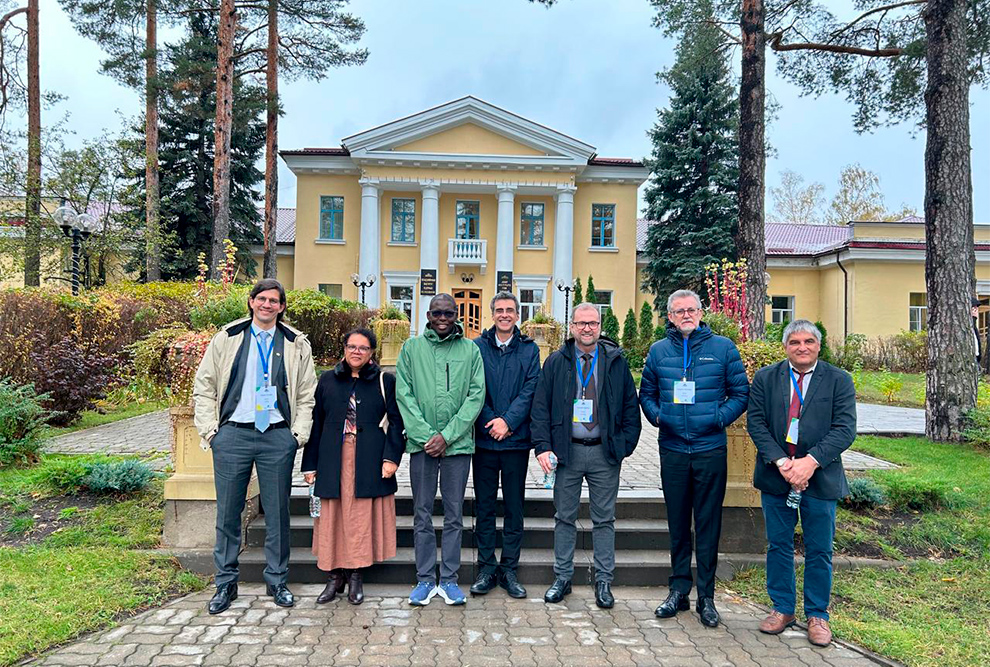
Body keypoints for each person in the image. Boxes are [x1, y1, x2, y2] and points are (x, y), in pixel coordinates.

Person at [193, 278, 317, 614]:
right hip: (232, 434)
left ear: (282, 306)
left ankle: (277, 581)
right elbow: (203, 386)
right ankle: (225, 584)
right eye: (261, 299)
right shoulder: (228, 338)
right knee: (228, 513)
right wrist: (210, 431)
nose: (266, 305)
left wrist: (296, 435)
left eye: (273, 301)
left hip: (277, 435)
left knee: (278, 514)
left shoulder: (295, 343)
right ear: (250, 302)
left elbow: (307, 394)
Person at [639, 289, 749, 628]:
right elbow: (647, 394)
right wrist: (658, 417)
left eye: (691, 310)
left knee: (707, 524)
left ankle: (707, 598)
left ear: (701, 313)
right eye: (678, 311)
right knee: (677, 525)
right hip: (672, 449)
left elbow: (740, 392)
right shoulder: (658, 351)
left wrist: (718, 417)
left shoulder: (723, 348)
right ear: (669, 316)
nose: (686, 315)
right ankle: (678, 592)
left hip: (709, 449)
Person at [747, 319, 856, 647]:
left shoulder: (839, 380)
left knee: (819, 549)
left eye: (809, 341)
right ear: (785, 347)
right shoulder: (767, 378)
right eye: (795, 342)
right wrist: (783, 463)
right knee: (778, 545)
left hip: (820, 478)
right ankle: (782, 608)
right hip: (776, 477)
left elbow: (845, 428)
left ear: (819, 346)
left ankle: (817, 614)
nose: (802, 347)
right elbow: (756, 423)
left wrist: (809, 463)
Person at [532, 302, 642, 609]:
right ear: (572, 326)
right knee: (564, 518)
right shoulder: (556, 361)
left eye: (592, 323)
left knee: (604, 519)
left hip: (603, 455)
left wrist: (624, 447)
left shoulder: (615, 362)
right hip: (566, 454)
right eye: (581, 323)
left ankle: (604, 581)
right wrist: (543, 446)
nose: (587, 328)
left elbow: (631, 408)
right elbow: (540, 408)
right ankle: (562, 578)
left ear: (600, 325)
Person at [301, 328, 404, 605]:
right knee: (332, 518)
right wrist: (309, 464)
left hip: (368, 459)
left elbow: (397, 422)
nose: (356, 352)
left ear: (372, 353)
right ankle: (335, 577)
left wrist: (391, 458)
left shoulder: (385, 381)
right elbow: (317, 423)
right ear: (344, 349)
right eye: (351, 346)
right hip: (332, 459)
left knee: (359, 519)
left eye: (363, 348)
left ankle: (356, 575)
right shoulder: (327, 381)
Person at [396, 293, 485, 606]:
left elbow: (476, 397)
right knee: (421, 513)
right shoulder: (412, 348)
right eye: (437, 312)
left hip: (457, 447)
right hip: (421, 447)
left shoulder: (470, 350)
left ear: (457, 314)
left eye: (449, 312)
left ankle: (448, 579)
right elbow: (403, 393)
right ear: (428, 315)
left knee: (453, 515)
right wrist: (425, 436)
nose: (443, 317)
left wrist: (446, 436)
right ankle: (423, 579)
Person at [469, 292, 541, 599]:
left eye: (510, 310)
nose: (505, 314)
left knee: (514, 508)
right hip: (485, 441)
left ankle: (509, 568)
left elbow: (530, 389)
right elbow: (472, 389)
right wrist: (491, 421)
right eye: (499, 310)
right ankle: (486, 568)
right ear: (492, 314)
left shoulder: (529, 350)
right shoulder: (476, 348)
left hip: (515, 443)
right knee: (484, 507)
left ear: (517, 315)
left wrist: (508, 422)